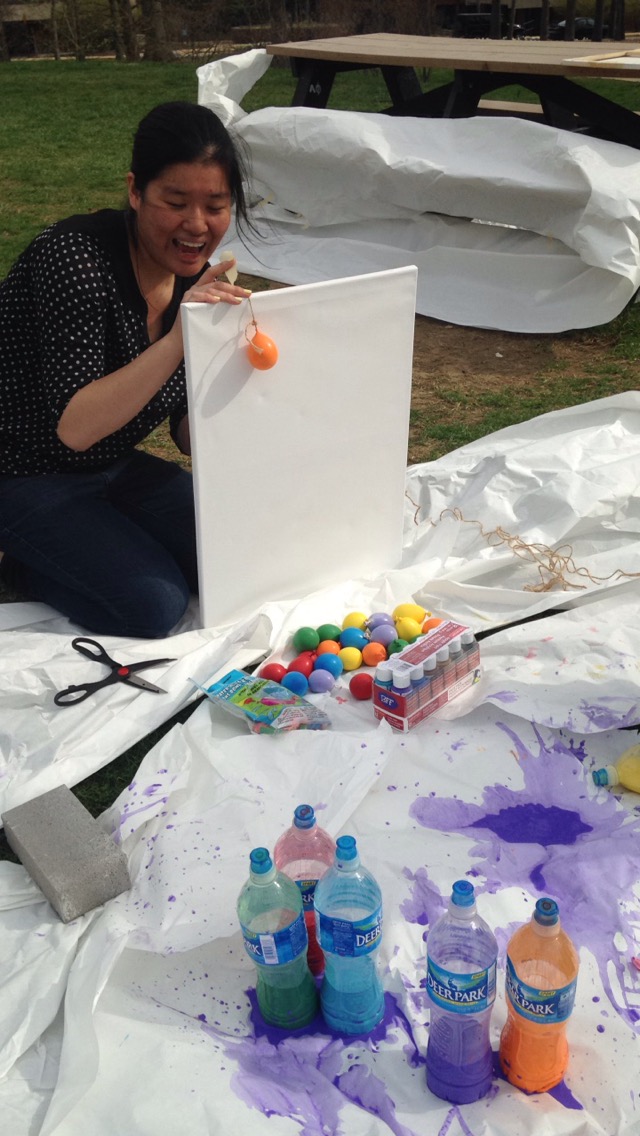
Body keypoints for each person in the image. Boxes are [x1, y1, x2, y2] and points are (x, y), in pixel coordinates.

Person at [0, 101, 254, 638]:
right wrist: (181, 338)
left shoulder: (196, 278)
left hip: (110, 463)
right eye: (176, 203)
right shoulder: (74, 260)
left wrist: (254, 408)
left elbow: (185, 423)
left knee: (240, 554)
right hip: (19, 466)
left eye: (215, 205)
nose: (197, 225)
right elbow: (76, 427)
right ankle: (21, 564)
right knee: (153, 605)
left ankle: (91, 542)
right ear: (136, 191)